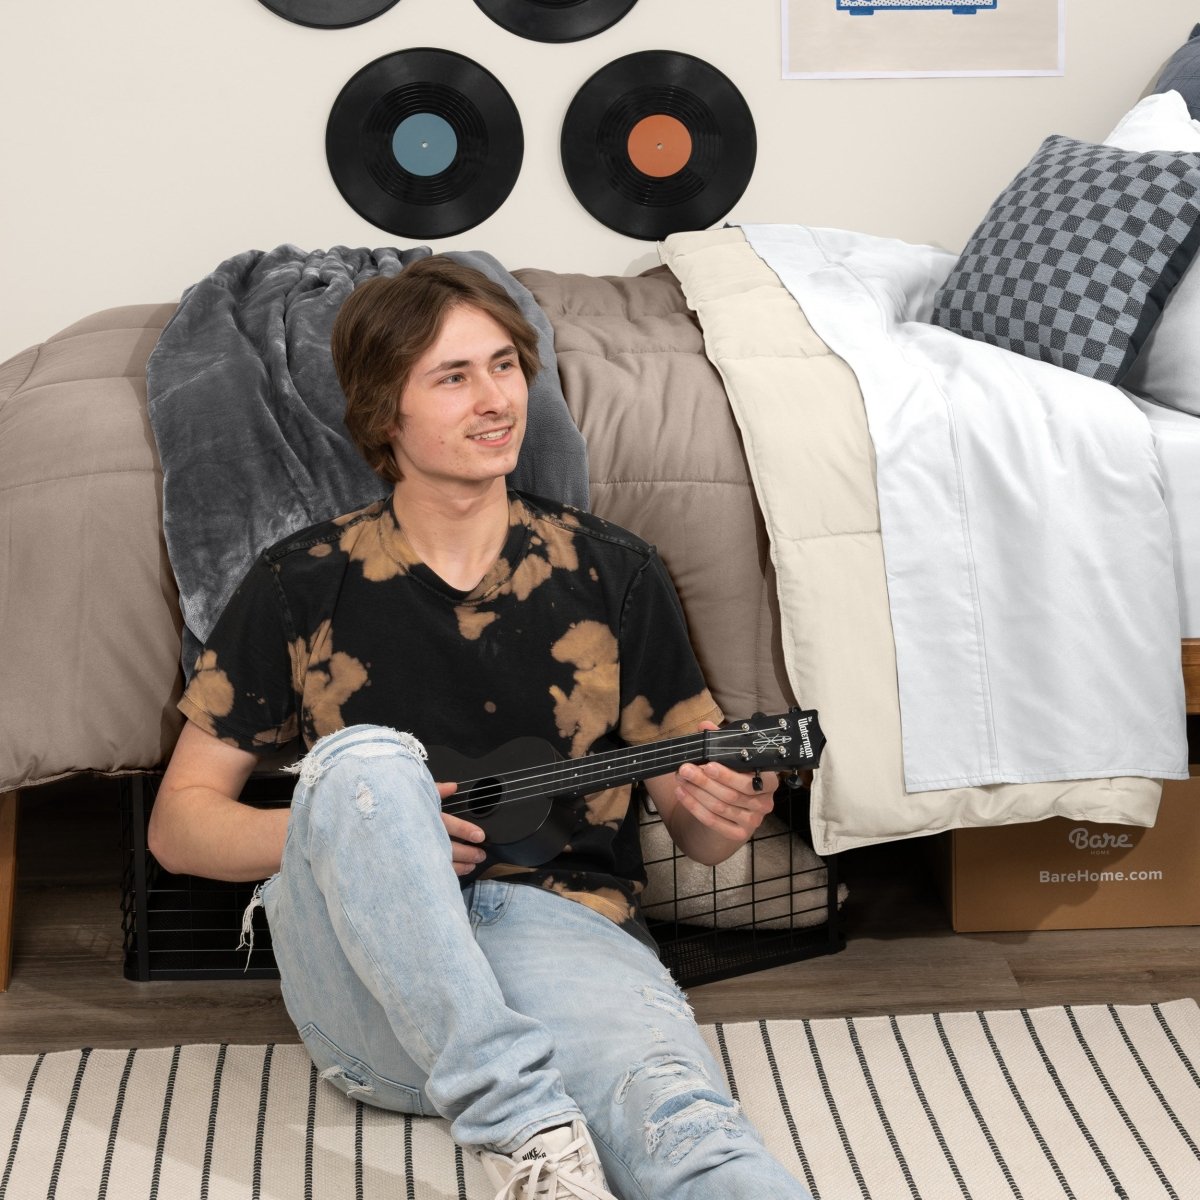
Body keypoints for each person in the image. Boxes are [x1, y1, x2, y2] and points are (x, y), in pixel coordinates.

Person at [148, 256, 812, 1200]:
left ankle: (535, 1124)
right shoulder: (300, 583)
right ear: (384, 413)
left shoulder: (614, 573)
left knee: (689, 1132)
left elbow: (698, 833)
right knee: (368, 763)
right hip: (367, 991)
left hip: (564, 938)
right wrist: (372, 829)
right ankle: (523, 1120)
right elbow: (178, 825)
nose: (496, 400)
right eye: (453, 377)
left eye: (504, 366)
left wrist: (724, 814)